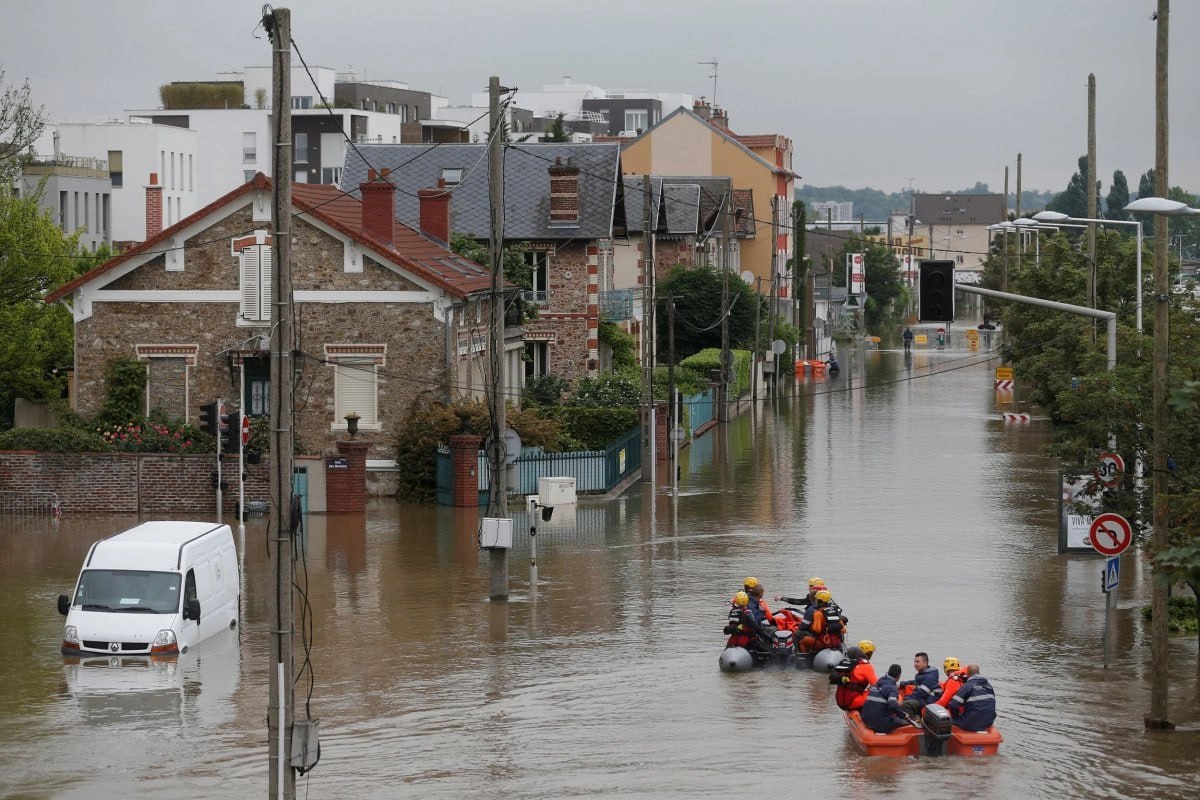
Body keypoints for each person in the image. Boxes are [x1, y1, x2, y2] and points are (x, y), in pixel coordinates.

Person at [861, 664, 912, 734]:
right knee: (905, 723)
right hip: (880, 722)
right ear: (899, 676)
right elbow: (893, 706)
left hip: (866, 718)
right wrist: (903, 715)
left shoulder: (878, 683)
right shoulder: (892, 688)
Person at [948, 663, 997, 731]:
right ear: (979, 672)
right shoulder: (989, 686)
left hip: (970, 723)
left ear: (967, 674)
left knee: (949, 721)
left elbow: (953, 705)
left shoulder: (967, 686)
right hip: (988, 722)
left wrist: (956, 717)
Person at [831, 640, 878, 711]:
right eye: (870, 653)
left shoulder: (846, 663)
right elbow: (877, 685)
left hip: (840, 701)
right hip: (853, 701)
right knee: (877, 691)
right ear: (867, 653)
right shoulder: (866, 666)